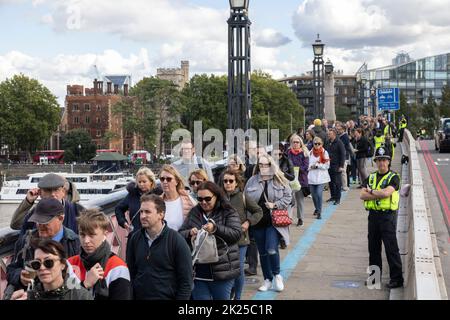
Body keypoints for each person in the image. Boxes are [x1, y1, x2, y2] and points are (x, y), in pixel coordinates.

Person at [179, 182, 241, 300]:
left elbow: (236, 234)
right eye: (200, 199)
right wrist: (189, 233)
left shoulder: (228, 211)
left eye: (207, 199)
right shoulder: (195, 212)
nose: (203, 202)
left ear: (216, 196)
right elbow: (180, 233)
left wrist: (215, 228)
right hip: (199, 272)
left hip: (222, 271)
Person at [126, 194, 193, 299]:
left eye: (147, 212)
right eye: (141, 212)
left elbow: (186, 282)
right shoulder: (135, 239)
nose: (143, 216)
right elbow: (130, 273)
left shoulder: (176, 241)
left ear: (161, 214)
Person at [6, 198, 80, 293]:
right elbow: (11, 269)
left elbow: (78, 279)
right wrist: (20, 277)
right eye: (37, 221)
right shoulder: (26, 240)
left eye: (45, 222)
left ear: (61, 218)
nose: (40, 225)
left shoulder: (75, 243)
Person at [244, 155, 292, 292]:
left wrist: (275, 204)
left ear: (271, 165)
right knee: (263, 252)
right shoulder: (252, 181)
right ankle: (267, 280)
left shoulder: (279, 179)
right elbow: (244, 199)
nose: (263, 167)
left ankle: (277, 275)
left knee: (271, 248)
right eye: (261, 165)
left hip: (273, 222)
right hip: (257, 222)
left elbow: (289, 196)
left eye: (266, 164)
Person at [360, 146, 404, 289]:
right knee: (373, 248)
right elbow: (362, 195)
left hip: (387, 217)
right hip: (373, 217)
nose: (381, 163)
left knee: (391, 248)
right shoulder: (371, 177)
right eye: (379, 160)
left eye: (384, 160)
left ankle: (396, 279)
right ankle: (374, 278)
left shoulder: (394, 177)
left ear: (389, 162)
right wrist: (376, 193)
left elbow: (387, 193)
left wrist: (371, 191)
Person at [68, 209, 132, 300]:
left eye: (91, 235)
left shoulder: (117, 267)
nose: (86, 241)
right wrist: (85, 284)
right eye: (82, 235)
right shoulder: (71, 264)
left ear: (105, 234)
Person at [221, 169, 263, 300]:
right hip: (222, 240)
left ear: (236, 182)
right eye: (225, 181)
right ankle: (230, 293)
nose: (228, 183)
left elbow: (258, 211)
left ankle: (237, 297)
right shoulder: (218, 197)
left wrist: (248, 222)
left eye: (231, 181)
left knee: (238, 269)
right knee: (226, 270)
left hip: (240, 241)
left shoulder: (243, 197)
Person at [11, 239, 92, 300]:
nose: (42, 268)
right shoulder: (30, 296)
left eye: (48, 262)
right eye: (37, 264)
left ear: (62, 264)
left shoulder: (81, 296)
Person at [10, 173, 83, 235]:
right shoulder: (36, 212)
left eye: (56, 190)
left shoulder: (77, 210)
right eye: (48, 190)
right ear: (40, 193)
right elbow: (16, 224)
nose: (53, 194)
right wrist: (28, 202)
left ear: (63, 192)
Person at [115, 167, 162, 233]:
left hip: (154, 235)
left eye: (144, 182)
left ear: (151, 181)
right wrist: (123, 222)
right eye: (139, 182)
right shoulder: (133, 194)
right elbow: (118, 208)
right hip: (136, 235)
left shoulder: (159, 196)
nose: (141, 184)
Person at [160, 165, 197, 231]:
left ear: (176, 181)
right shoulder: (157, 202)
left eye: (169, 179)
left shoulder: (188, 199)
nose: (165, 182)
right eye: (162, 179)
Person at [287, 135, 309, 226]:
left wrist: (296, 169)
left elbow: (305, 166)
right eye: (294, 142)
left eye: (297, 142)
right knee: (288, 200)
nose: (295, 144)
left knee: (300, 200)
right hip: (289, 179)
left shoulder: (304, 153)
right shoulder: (288, 153)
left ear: (301, 143)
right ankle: (288, 218)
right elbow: (286, 164)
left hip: (301, 180)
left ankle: (300, 218)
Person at [308, 137, 330, 219]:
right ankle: (317, 208)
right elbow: (307, 164)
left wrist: (318, 165)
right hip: (311, 177)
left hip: (321, 177)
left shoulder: (325, 153)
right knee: (313, 195)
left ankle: (319, 212)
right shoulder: (310, 153)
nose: (317, 145)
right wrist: (311, 166)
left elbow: (327, 165)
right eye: (315, 143)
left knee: (319, 194)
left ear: (322, 144)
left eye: (319, 144)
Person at [325, 128, 346, 205]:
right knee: (331, 182)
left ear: (334, 134)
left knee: (337, 183)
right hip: (329, 165)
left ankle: (338, 198)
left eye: (330, 134)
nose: (328, 135)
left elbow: (343, 154)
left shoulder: (339, 142)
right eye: (328, 134)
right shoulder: (328, 142)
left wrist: (341, 166)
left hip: (336, 165)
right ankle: (333, 196)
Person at [336, 122, 352, 192]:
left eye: (339, 129)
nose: (338, 130)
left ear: (343, 129)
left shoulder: (345, 137)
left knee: (343, 172)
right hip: (342, 156)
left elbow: (347, 146)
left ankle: (345, 186)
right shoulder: (341, 136)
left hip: (344, 156)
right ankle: (343, 185)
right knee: (342, 172)